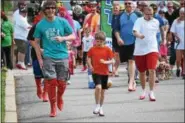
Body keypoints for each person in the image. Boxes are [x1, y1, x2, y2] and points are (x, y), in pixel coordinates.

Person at [33, 1, 75, 117]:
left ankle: (60, 97)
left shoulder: (62, 21)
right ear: (44, 10)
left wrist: (63, 38)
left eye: (52, 8)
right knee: (51, 82)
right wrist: (40, 59)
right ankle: (53, 107)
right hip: (48, 56)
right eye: (48, 8)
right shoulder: (40, 25)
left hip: (62, 56)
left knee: (62, 83)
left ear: (55, 9)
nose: (50, 10)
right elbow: (36, 43)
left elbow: (73, 36)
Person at [133, 7, 160, 101]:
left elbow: (157, 34)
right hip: (140, 49)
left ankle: (151, 92)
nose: (149, 16)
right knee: (142, 71)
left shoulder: (156, 22)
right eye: (147, 14)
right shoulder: (139, 21)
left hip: (152, 48)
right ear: (143, 13)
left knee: (152, 70)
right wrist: (139, 35)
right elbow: (135, 31)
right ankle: (143, 90)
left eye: (151, 14)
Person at [87, 31, 114, 116]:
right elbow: (88, 58)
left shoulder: (107, 49)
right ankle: (97, 105)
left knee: (103, 92)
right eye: (97, 41)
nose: (98, 43)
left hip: (105, 73)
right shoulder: (92, 49)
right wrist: (90, 65)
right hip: (96, 72)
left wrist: (105, 62)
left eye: (100, 41)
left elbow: (113, 60)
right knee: (98, 87)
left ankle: (101, 107)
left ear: (104, 41)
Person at [115, 0, 139, 91]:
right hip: (123, 42)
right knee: (128, 62)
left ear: (133, 5)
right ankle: (133, 80)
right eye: (126, 3)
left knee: (131, 61)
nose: (128, 5)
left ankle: (131, 82)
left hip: (135, 42)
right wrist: (118, 38)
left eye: (129, 3)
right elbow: (116, 29)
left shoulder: (138, 15)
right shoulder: (120, 15)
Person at [27, 8, 49, 102]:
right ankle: (39, 87)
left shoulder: (52, 26)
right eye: (44, 14)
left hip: (49, 54)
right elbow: (30, 40)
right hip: (36, 53)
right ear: (41, 15)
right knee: (38, 74)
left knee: (48, 75)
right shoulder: (36, 26)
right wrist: (38, 49)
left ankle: (45, 93)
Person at [170, 8, 185, 79]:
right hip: (178, 41)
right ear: (179, 13)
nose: (182, 14)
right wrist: (177, 37)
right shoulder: (176, 21)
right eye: (181, 13)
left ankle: (184, 72)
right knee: (178, 59)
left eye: (183, 13)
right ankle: (178, 68)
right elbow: (172, 31)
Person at [111, 1, 121, 77]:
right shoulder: (112, 16)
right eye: (114, 6)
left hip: (122, 36)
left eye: (117, 5)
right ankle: (115, 69)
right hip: (114, 37)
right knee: (116, 54)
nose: (115, 7)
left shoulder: (122, 15)